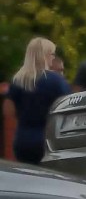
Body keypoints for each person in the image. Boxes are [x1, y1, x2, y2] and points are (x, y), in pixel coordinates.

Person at [6, 37, 72, 165]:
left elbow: (8, 110)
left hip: (22, 139)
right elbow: (69, 109)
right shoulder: (57, 82)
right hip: (48, 140)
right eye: (52, 54)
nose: (53, 58)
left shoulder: (18, 80)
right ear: (45, 55)